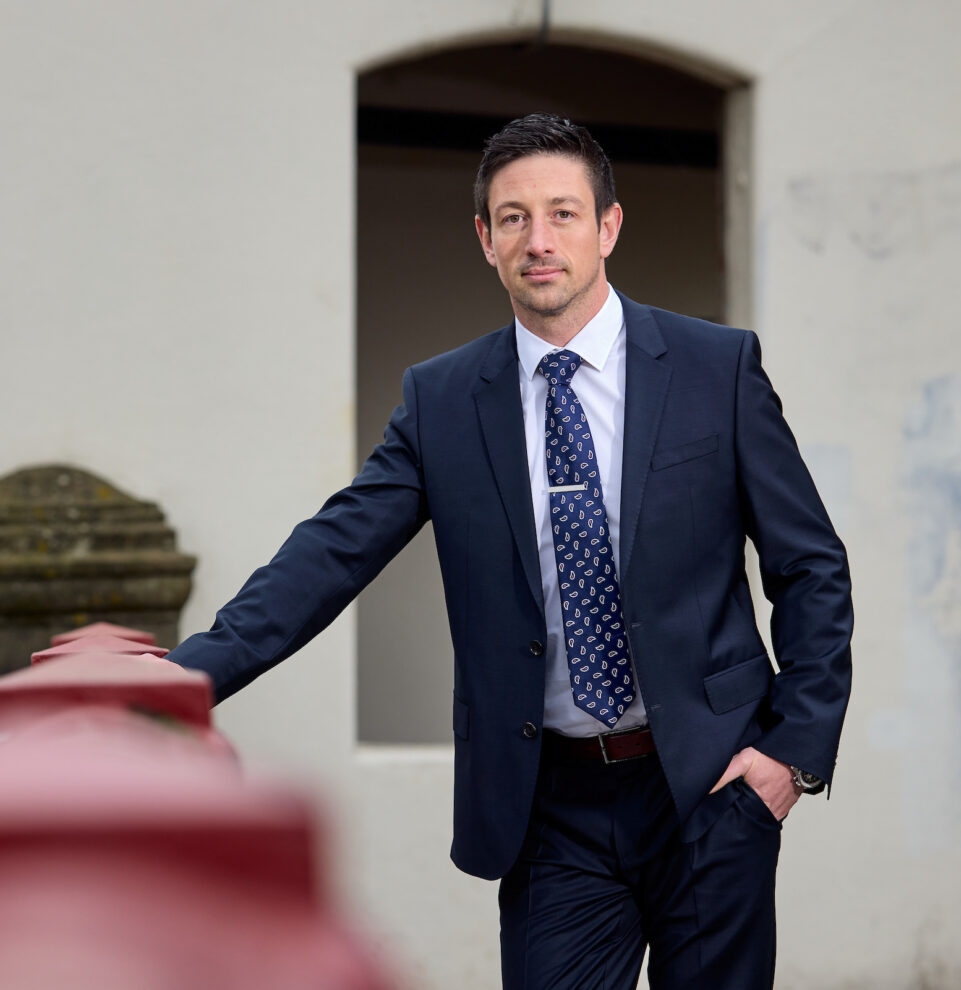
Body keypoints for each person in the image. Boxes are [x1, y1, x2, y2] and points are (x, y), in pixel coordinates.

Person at [169, 113, 852, 989]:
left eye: (563, 213)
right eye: (515, 218)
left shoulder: (715, 368)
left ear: (607, 227)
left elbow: (810, 566)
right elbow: (333, 551)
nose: (540, 239)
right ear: (485, 240)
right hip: (549, 804)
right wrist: (190, 675)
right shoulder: (444, 399)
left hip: (711, 787)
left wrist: (793, 751)